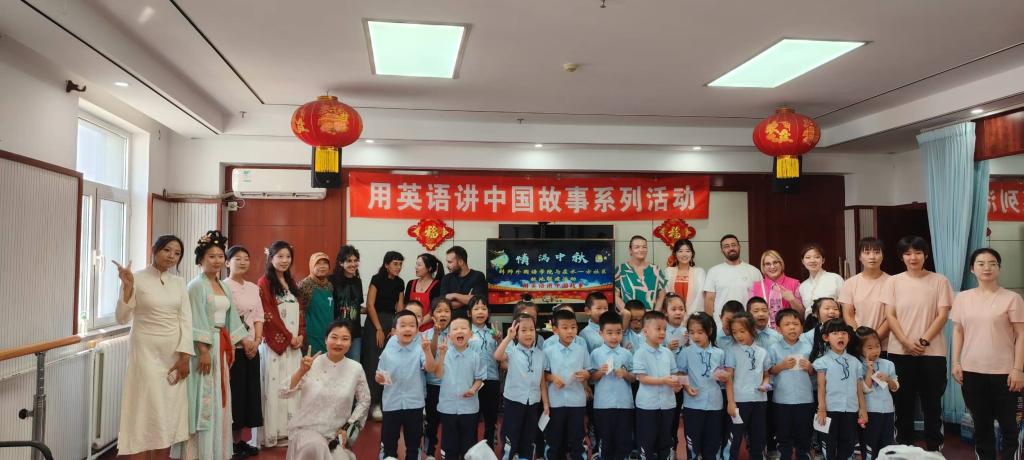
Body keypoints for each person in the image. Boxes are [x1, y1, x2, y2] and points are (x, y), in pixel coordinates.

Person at [113, 235, 193, 458]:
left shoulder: (179, 282)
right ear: (154, 249)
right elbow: (121, 318)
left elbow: (186, 320)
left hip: (173, 355)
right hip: (144, 353)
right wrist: (127, 287)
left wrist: (185, 357)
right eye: (167, 250)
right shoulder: (136, 278)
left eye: (177, 253)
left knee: (167, 411)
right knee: (144, 409)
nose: (171, 256)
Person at [174, 230, 249, 459]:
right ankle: (199, 453)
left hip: (221, 344)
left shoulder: (223, 286)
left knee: (219, 397)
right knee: (203, 396)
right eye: (211, 256)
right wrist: (204, 350)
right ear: (200, 260)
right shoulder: (195, 286)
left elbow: (231, 317)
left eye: (220, 256)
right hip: (202, 348)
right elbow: (194, 319)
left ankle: (217, 451)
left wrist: (235, 344)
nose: (217, 261)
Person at [880, 236, 952, 451]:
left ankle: (934, 448)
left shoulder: (940, 281)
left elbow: (942, 315)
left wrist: (922, 341)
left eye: (918, 253)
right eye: (908, 253)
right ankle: (905, 446)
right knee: (903, 402)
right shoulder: (893, 282)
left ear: (925, 255)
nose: (913, 257)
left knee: (932, 403)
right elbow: (890, 315)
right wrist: (905, 341)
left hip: (933, 352)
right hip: (899, 351)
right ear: (901, 257)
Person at [952, 248, 1024, 460]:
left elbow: (1021, 334)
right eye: (981, 263)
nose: (987, 268)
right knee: (982, 426)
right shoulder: (963, 298)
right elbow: (958, 331)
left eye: (992, 263)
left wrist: (1018, 369)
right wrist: (956, 362)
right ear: (972, 269)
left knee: (1009, 426)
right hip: (972, 371)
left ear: (999, 268)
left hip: (1005, 373)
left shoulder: (1012, 298)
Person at [281, 320, 370, 460]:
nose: (339, 343)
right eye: (334, 337)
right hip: (306, 430)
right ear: (325, 340)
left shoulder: (356, 369)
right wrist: (301, 371)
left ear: (351, 343)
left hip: (334, 435)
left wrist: (348, 426)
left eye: (345, 339)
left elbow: (365, 401)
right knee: (315, 447)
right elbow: (283, 392)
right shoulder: (311, 363)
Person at [258, 240, 305, 447]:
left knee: (294, 387)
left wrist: (300, 334)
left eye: (288, 257)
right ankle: (274, 433)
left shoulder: (291, 283)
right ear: (271, 258)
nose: (284, 260)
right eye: (280, 256)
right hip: (275, 346)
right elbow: (269, 315)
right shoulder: (264, 283)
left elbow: (301, 312)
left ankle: (290, 430)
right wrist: (287, 337)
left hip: (294, 345)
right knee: (275, 388)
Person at [376, 309, 440, 459]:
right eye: (403, 325)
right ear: (394, 331)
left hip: (414, 404)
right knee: (389, 446)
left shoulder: (420, 348)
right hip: (391, 403)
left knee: (413, 445)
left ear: (417, 330)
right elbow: (379, 374)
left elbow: (431, 368)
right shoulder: (388, 350)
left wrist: (427, 351)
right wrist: (378, 378)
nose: (408, 329)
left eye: (412, 325)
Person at [224, 246, 264, 458]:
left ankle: (238, 442)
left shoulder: (253, 287)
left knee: (248, 397)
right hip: (233, 349)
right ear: (227, 263)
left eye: (246, 258)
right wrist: (244, 341)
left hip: (252, 349)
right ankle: (227, 444)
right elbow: (226, 319)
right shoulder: (223, 286)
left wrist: (256, 341)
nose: (242, 262)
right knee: (234, 397)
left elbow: (258, 316)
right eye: (237, 258)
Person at [495, 314, 548, 460]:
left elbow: (542, 381)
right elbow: (498, 356)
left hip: (533, 401)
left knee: (529, 436)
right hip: (514, 400)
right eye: (523, 330)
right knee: (511, 435)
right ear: (516, 334)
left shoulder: (540, 354)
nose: (529, 333)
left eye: (531, 330)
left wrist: (545, 403)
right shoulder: (512, 351)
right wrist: (508, 338)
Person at [812, 319, 867, 460]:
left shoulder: (855, 362)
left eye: (844, 333)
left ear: (849, 337)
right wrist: (821, 409)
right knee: (829, 444)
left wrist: (862, 409)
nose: (840, 336)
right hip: (830, 409)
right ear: (826, 338)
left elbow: (859, 388)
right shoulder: (822, 362)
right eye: (835, 333)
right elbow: (821, 387)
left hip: (851, 409)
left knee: (847, 444)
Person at [633, 310, 683, 460]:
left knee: (665, 441)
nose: (662, 333)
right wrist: (664, 380)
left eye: (664, 329)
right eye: (658, 329)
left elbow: (674, 374)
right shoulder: (640, 353)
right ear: (645, 331)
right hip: (647, 405)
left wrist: (676, 385)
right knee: (647, 442)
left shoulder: (668, 353)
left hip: (667, 404)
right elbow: (642, 378)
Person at [434, 316, 486, 459]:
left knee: (468, 445)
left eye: (463, 328)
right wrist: (442, 355)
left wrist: (473, 389)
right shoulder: (443, 353)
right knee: (449, 444)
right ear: (449, 336)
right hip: (448, 407)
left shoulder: (475, 356)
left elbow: (479, 378)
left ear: (471, 334)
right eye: (455, 329)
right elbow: (438, 375)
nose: (459, 331)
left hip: (469, 408)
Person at [543, 308, 591, 460]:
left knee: (577, 438)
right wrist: (552, 378)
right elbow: (543, 375)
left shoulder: (581, 350)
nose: (570, 331)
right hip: (555, 401)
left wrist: (585, 375)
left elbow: (588, 371)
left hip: (577, 401)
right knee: (554, 438)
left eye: (573, 327)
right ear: (555, 330)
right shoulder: (548, 350)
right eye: (565, 327)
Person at [679, 312, 727, 460]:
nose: (696, 336)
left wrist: (723, 377)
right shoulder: (686, 352)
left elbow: (725, 378)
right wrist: (686, 387)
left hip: (715, 404)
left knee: (712, 444)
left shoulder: (720, 353)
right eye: (692, 332)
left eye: (700, 332)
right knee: (692, 444)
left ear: (710, 331)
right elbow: (681, 373)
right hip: (692, 404)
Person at [768, 309, 815, 460]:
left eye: (796, 324)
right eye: (787, 324)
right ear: (778, 329)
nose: (792, 327)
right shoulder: (774, 348)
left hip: (805, 399)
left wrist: (810, 367)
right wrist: (780, 366)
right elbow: (769, 371)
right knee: (783, 434)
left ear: (802, 327)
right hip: (782, 400)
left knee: (804, 434)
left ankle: (803, 456)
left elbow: (814, 372)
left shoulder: (808, 348)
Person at [589, 311, 636, 460]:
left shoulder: (627, 354)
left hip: (624, 405)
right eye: (609, 333)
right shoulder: (595, 354)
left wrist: (625, 374)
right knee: (605, 442)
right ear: (601, 333)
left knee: (623, 442)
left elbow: (634, 378)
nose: (614, 337)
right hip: (603, 405)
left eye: (618, 332)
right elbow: (590, 379)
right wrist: (600, 372)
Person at [365, 251, 405, 422]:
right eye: (395, 263)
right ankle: (372, 403)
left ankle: (384, 401)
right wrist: (379, 328)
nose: (398, 267)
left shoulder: (400, 283)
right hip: (375, 323)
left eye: (400, 264)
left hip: (391, 323)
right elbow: (370, 305)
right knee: (373, 362)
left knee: (389, 362)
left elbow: (400, 308)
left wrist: (396, 327)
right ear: (386, 264)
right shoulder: (377, 279)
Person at [724, 312, 771, 460]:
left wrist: (765, 384)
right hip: (739, 401)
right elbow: (728, 378)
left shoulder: (762, 352)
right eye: (734, 332)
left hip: (759, 401)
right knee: (735, 437)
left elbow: (767, 375)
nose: (738, 335)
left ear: (752, 329)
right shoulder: (732, 351)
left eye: (742, 331)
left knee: (758, 438)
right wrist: (731, 402)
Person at [856, 326, 899, 460]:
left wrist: (888, 379)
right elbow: (865, 389)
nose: (875, 350)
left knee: (887, 443)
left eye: (877, 346)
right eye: (869, 348)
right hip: (870, 410)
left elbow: (895, 387)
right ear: (859, 349)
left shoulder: (888, 364)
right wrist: (869, 371)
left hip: (888, 410)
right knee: (870, 444)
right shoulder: (858, 364)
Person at [839, 238, 890, 348]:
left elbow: (891, 317)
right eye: (867, 252)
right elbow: (849, 315)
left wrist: (873, 341)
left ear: (883, 256)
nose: (872, 257)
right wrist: (860, 339)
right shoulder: (850, 283)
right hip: (858, 344)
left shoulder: (892, 282)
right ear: (859, 257)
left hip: (885, 345)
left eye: (877, 252)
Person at [704, 234, 763, 326]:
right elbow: (709, 300)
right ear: (722, 250)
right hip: (720, 325)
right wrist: (709, 324)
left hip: (747, 324)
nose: (731, 248)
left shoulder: (754, 271)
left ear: (739, 247)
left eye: (733, 245)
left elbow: (760, 300)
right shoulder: (713, 271)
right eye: (726, 246)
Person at [467, 296, 502, 448]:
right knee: (472, 419)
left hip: (492, 379)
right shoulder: (466, 332)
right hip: (472, 382)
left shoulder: (494, 333)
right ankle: (472, 451)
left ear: (488, 312)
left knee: (490, 419)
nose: (480, 312)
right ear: (469, 313)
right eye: (476, 309)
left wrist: (499, 340)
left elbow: (502, 357)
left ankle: (488, 450)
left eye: (483, 308)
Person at [423, 298, 453, 459]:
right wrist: (435, 333)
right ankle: (429, 452)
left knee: (449, 423)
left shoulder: (456, 332)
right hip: (432, 384)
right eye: (439, 311)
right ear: (432, 314)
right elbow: (432, 354)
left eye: (447, 311)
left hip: (450, 385)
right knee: (432, 421)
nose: (443, 314)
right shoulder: (426, 334)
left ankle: (447, 452)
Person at [750, 249, 805, 325]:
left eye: (775, 262)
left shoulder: (795, 284)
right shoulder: (755, 287)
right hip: (763, 330)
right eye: (768, 264)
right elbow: (750, 315)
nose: (772, 267)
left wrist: (792, 300)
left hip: (789, 330)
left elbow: (802, 314)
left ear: (781, 264)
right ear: (763, 267)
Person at [615, 235, 666, 311]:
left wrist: (655, 313)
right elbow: (615, 296)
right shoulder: (621, 270)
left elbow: (661, 295)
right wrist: (626, 312)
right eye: (637, 247)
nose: (641, 250)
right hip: (628, 315)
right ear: (630, 250)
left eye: (644, 247)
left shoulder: (655, 270)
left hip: (651, 316)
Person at [331, 245, 364, 360]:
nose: (353, 264)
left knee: (354, 365)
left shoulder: (358, 281)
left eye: (355, 261)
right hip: (337, 331)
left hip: (355, 333)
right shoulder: (332, 280)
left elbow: (357, 305)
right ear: (341, 263)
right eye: (349, 261)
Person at [299, 252, 335, 355]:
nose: (322, 266)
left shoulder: (329, 286)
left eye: (325, 263)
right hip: (311, 337)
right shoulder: (304, 285)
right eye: (318, 263)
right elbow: (299, 312)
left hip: (328, 335)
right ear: (311, 265)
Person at [439, 246, 488, 318]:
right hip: (451, 322)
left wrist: (454, 295)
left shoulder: (478, 276)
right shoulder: (446, 278)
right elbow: (444, 305)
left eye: (450, 262)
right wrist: (468, 298)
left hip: (472, 321)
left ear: (461, 262)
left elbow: (478, 301)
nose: (447, 266)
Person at [798, 244, 845, 318]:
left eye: (817, 257)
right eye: (808, 257)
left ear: (823, 260)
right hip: (810, 324)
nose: (812, 260)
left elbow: (845, 306)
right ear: (803, 261)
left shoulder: (835, 278)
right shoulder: (802, 286)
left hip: (832, 323)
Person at [663, 238, 706, 315]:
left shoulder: (699, 272)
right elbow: (666, 295)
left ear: (692, 253)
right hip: (673, 315)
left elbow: (700, 297)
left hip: (694, 316)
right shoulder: (668, 271)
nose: (684, 254)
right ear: (675, 254)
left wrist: (690, 315)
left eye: (688, 251)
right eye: (680, 251)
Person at [405, 253, 444, 332]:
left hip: (428, 329)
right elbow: (405, 306)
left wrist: (417, 324)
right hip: (409, 327)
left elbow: (433, 311)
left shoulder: (437, 285)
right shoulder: (411, 283)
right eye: (416, 264)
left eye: (419, 265)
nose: (416, 267)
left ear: (429, 268)